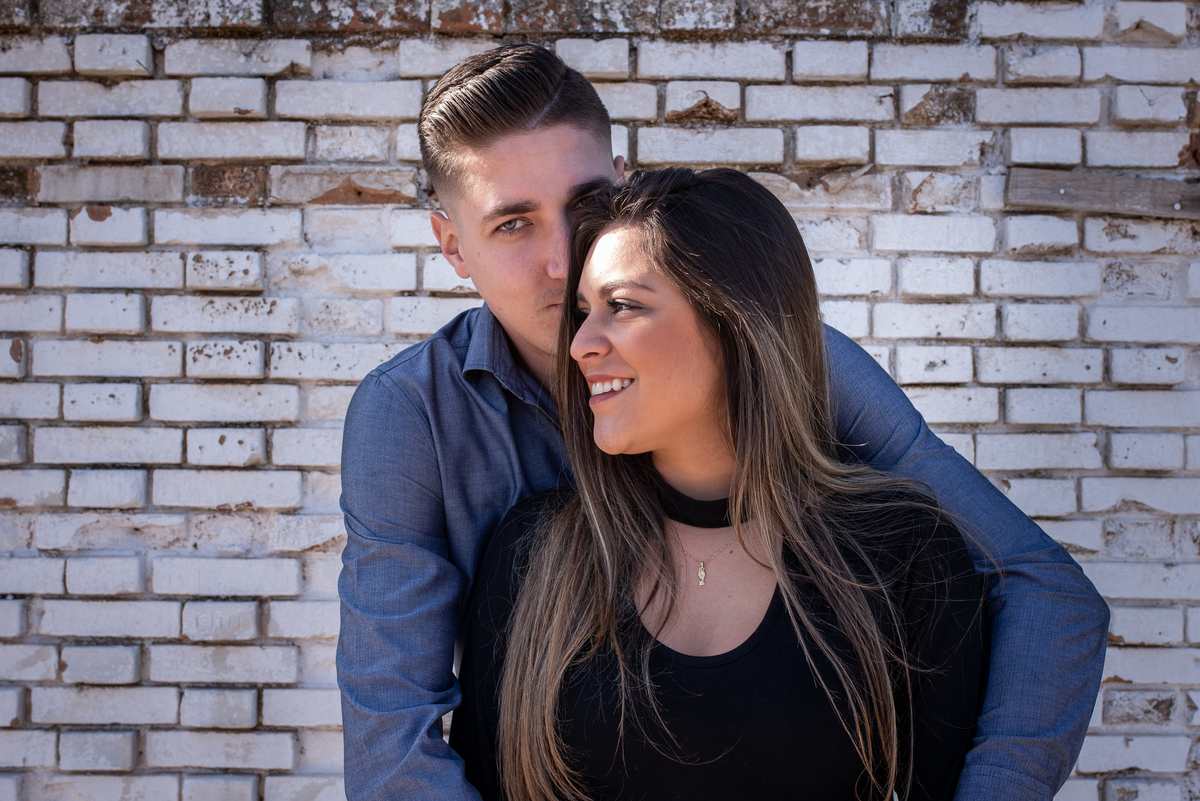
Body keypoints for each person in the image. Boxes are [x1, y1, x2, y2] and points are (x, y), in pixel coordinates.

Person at [337, 43, 1108, 801]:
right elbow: (391, 757)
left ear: (622, 185)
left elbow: (1040, 587)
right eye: (513, 224)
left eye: (585, 204)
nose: (563, 260)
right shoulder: (411, 416)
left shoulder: (783, 356)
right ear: (452, 245)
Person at [451, 166, 991, 801]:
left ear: (734, 321)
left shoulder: (904, 555)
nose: (579, 345)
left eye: (622, 306)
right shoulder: (533, 555)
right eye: (583, 313)